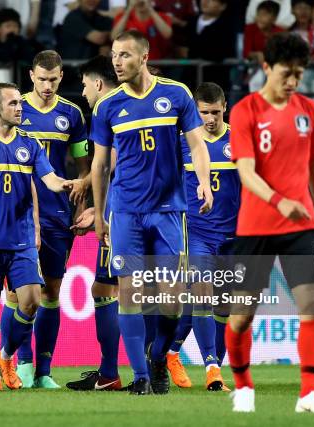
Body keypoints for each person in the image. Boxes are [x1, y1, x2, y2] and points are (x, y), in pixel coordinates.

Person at [91, 30, 212, 395]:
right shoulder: (107, 106)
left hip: (169, 210)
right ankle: (141, 375)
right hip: (126, 211)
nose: (116, 61)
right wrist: (99, 214)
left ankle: (159, 356)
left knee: (171, 298)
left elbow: (197, 143)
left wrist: (203, 182)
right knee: (129, 291)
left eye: (124, 55)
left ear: (144, 57)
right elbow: (99, 167)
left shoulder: (176, 94)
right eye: (114, 55)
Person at [227, 32, 314, 413]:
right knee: (241, 317)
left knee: (311, 308)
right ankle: (242, 387)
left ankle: (308, 394)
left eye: (299, 75)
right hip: (255, 227)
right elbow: (246, 173)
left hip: (301, 226)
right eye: (286, 73)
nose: (292, 82)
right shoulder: (245, 111)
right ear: (266, 68)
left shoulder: (309, 111)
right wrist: (279, 200)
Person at [0, 83, 78, 391]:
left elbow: (48, 180)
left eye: (20, 103)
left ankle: (6, 355)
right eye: (12, 104)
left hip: (21, 240)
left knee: (32, 300)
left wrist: (70, 184)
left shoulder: (30, 143)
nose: (20, 108)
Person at [4, 50, 90, 389]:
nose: (48, 85)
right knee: (21, 293)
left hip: (56, 212)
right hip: (16, 212)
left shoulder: (72, 115)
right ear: (31, 75)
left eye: (54, 79)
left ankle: (43, 371)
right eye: (42, 79)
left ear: (62, 76)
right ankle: (19, 362)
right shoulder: (15, 109)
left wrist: (84, 188)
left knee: (51, 291)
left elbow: (83, 166)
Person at [167, 82, 239, 392]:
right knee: (202, 296)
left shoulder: (240, 139)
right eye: (203, 112)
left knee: (224, 307)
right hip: (195, 232)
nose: (209, 119)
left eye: (215, 112)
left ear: (225, 107)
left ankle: (170, 352)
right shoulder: (181, 141)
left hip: (234, 234)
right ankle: (212, 370)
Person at [65, 55, 122, 392]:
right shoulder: (128, 103)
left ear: (98, 83)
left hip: (126, 213)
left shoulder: (108, 108)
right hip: (122, 207)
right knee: (107, 288)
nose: (83, 92)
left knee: (116, 290)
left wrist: (95, 203)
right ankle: (111, 370)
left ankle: (132, 370)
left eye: (84, 85)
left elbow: (108, 162)